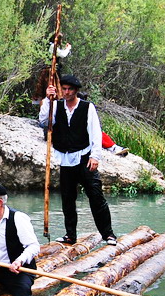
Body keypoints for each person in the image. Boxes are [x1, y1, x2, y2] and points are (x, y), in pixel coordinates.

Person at [38, 74, 117, 246]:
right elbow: (44, 121)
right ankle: (70, 235)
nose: (66, 92)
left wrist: (95, 156)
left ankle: (108, 234)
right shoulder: (56, 105)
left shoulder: (87, 107)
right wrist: (48, 98)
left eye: (69, 89)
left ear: (76, 91)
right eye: (64, 89)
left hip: (84, 156)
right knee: (67, 198)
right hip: (65, 158)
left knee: (96, 196)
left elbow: (96, 132)